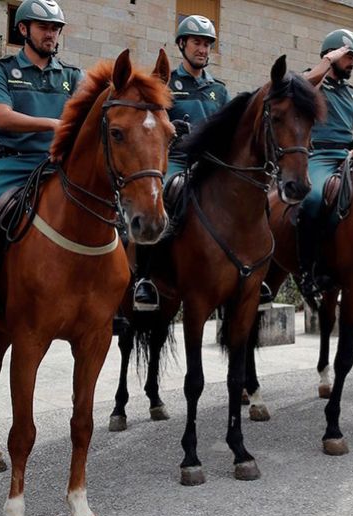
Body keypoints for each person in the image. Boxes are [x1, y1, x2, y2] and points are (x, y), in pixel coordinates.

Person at [0, 0, 82, 343]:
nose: (51, 34)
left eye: (55, 28)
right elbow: (3, 117)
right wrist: (54, 123)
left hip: (59, 165)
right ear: (23, 29)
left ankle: (112, 303)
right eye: (43, 27)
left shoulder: (72, 75)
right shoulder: (0, 69)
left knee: (110, 215)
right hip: (14, 162)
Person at [133, 14, 229, 311]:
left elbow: (227, 129)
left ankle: (248, 273)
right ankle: (145, 278)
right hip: (176, 159)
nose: (202, 49)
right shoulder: (167, 84)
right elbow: (153, 122)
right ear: (182, 45)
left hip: (212, 162)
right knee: (163, 198)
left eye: (207, 44)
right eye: (197, 43)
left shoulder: (219, 89)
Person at [296, 29, 353, 302]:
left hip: (350, 156)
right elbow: (302, 86)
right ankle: (308, 269)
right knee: (314, 198)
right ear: (331, 55)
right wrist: (328, 61)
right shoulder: (313, 83)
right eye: (349, 56)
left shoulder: (352, 94)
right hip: (320, 155)